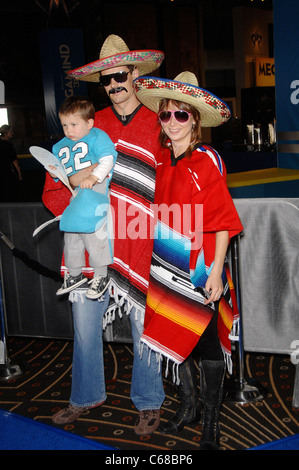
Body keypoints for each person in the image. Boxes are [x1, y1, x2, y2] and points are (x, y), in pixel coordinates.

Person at [42, 35, 165, 434]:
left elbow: (171, 184)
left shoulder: (158, 122)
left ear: (135, 75)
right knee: (83, 323)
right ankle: (84, 395)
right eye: (107, 80)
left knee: (144, 326)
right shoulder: (86, 125)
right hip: (91, 239)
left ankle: (149, 401)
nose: (114, 85)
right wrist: (75, 207)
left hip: (139, 239)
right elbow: (53, 188)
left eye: (120, 77)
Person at [133, 71, 243, 449]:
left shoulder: (207, 159)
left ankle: (210, 425)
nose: (173, 123)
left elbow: (224, 221)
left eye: (182, 115)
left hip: (201, 265)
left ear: (195, 119)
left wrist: (215, 272)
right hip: (166, 264)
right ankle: (189, 406)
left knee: (208, 343)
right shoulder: (162, 157)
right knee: (173, 334)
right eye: (166, 115)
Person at [52, 96, 117, 299]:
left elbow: (108, 158)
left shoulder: (97, 136)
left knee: (94, 233)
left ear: (89, 123)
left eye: (73, 124)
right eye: (64, 125)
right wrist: (56, 172)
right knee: (71, 231)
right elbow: (63, 177)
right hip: (77, 193)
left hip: (95, 190)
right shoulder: (60, 145)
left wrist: (94, 176)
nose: (68, 130)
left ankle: (101, 274)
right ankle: (74, 274)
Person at [0, 124, 22, 201]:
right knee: (11, 193)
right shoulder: (8, 145)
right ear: (6, 133)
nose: (12, 133)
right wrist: (19, 172)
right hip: (7, 172)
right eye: (11, 131)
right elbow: (13, 160)